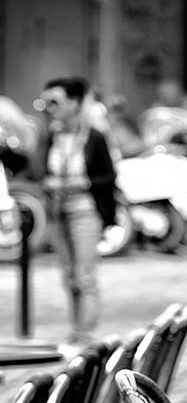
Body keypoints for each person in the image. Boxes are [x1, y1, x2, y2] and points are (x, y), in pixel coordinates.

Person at [35, 76, 117, 344]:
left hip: (85, 209)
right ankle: (76, 328)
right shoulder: (52, 135)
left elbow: (108, 176)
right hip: (57, 209)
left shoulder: (93, 136)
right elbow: (36, 170)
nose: (48, 108)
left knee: (84, 274)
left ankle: (85, 332)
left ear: (74, 103)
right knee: (69, 274)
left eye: (54, 102)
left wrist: (85, 182)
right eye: (44, 102)